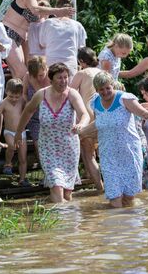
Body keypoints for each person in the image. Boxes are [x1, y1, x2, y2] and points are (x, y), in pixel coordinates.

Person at [14, 63, 90, 203]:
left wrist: (81, 124)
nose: (64, 81)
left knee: (67, 193)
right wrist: (19, 132)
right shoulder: (41, 94)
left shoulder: (72, 94)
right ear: (51, 79)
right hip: (48, 148)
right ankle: (62, 218)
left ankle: (69, 223)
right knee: (56, 186)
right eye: (60, 78)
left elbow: (85, 114)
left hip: (69, 148)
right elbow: (28, 111)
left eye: (66, 77)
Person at [79, 72, 148, 207]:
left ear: (112, 86)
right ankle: (114, 226)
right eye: (101, 89)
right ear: (96, 90)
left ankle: (130, 226)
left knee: (128, 199)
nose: (105, 91)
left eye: (108, 87)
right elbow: (99, 123)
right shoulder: (95, 102)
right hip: (108, 155)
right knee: (114, 197)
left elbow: (142, 113)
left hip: (129, 153)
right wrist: (81, 131)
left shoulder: (124, 98)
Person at [2, 0, 75, 79]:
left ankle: (18, 95)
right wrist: (58, 11)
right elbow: (35, 10)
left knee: (19, 74)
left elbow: (40, 20)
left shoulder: (35, 0)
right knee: (22, 73)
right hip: (9, 33)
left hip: (19, 39)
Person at [70, 47, 103, 192]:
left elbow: (69, 92)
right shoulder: (102, 72)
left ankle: (100, 189)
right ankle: (94, 177)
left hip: (88, 118)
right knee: (103, 154)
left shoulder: (81, 73)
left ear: (81, 61)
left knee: (88, 155)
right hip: (102, 115)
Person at [0, 78, 31, 186]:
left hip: (21, 133)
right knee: (12, 146)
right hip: (9, 132)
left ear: (21, 94)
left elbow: (29, 109)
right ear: (6, 91)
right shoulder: (4, 103)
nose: (13, 99)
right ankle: (8, 163)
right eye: (11, 96)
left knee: (23, 157)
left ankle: (22, 179)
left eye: (16, 97)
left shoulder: (22, 101)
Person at [39, 0, 87, 80]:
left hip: (51, 64)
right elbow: (81, 49)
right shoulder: (78, 25)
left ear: (56, 8)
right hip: (70, 65)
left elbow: (42, 43)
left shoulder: (47, 23)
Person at [22, 56, 50, 161]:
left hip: (49, 116)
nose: (39, 78)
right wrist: (28, 102)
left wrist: (35, 84)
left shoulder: (52, 77)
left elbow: (47, 98)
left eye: (41, 75)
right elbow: (24, 94)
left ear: (46, 68)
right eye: (36, 76)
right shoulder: (27, 77)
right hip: (34, 118)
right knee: (39, 145)